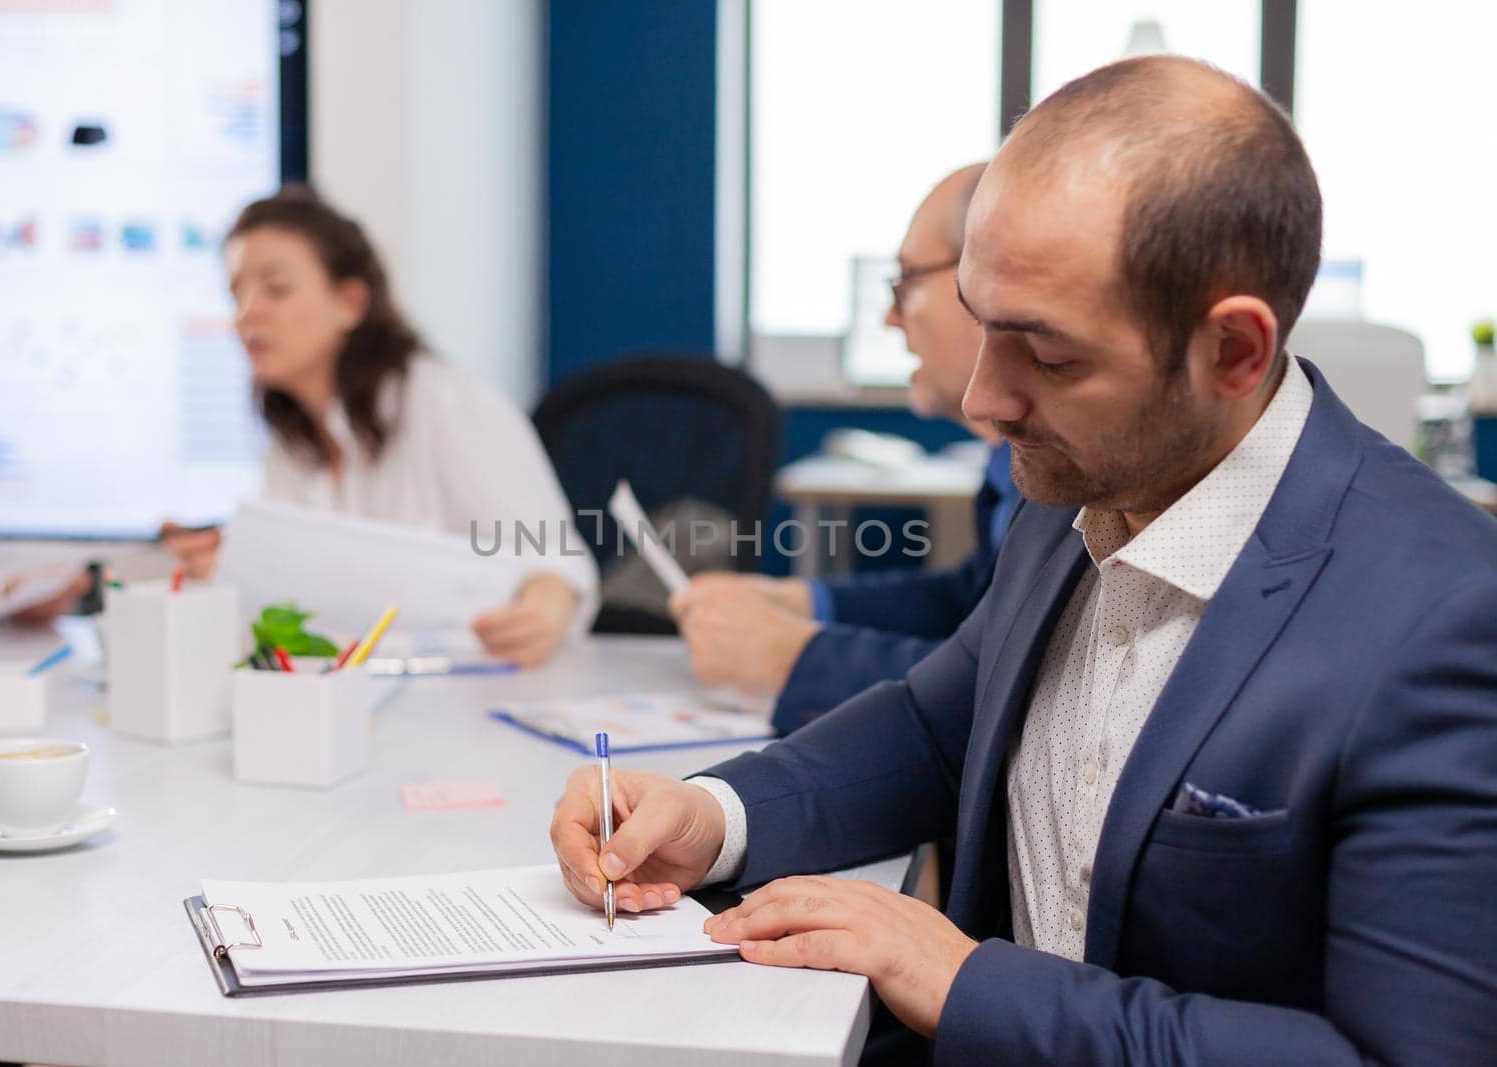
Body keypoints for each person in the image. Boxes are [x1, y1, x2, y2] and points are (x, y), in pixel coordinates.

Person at [550, 56, 1497, 1064]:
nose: (984, 403)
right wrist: (714, 813)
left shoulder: (1444, 617)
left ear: (1232, 352)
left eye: (1047, 357)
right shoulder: (1077, 483)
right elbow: (938, 724)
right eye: (979, 322)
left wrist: (959, 979)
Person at [164, 186, 597, 667]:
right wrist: (236, 565)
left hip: (469, 695)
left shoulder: (448, 404)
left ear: (350, 303)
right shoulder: (290, 436)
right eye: (236, 293)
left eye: (276, 289)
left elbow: (557, 563)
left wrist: (542, 610)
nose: (247, 315)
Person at [668, 164, 1019, 733]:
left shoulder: (1075, 479)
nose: (889, 316)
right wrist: (800, 603)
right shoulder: (1009, 463)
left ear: (987, 282)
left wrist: (793, 656)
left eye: (907, 281)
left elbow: (1017, 689)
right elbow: (971, 603)